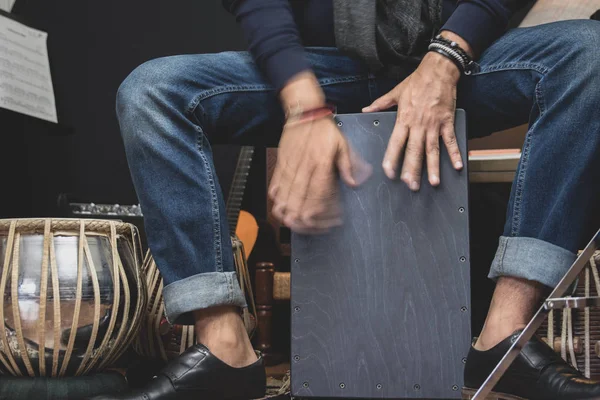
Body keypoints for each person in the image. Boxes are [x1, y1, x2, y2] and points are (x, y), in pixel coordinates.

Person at [91, 0, 600, 399]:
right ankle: (225, 346)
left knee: (589, 51)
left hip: (462, 59)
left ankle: (505, 338)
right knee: (151, 91)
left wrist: (445, 59)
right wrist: (302, 105)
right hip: (322, 66)